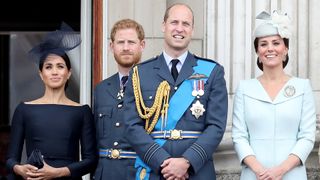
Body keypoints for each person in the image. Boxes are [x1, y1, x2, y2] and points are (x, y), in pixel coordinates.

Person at [123, 3, 228, 180]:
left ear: (192, 30)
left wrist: (187, 161)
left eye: (185, 24)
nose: (179, 29)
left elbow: (216, 126)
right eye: (174, 22)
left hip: (196, 171)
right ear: (164, 26)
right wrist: (162, 161)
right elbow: (132, 126)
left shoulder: (212, 71)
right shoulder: (140, 73)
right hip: (156, 170)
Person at [6, 23, 97, 180]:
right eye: (48, 67)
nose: (54, 72)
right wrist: (19, 169)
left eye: (60, 66)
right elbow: (10, 159)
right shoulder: (24, 110)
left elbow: (91, 160)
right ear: (41, 74)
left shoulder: (82, 111)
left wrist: (59, 172)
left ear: (68, 73)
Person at [232, 11, 316, 180]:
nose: (270, 48)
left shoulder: (302, 87)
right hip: (254, 175)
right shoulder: (244, 88)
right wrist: (260, 171)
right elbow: (239, 136)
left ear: (285, 49)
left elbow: (307, 136)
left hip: (292, 174)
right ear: (257, 51)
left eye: (276, 43)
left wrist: (280, 171)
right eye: (263, 44)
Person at [93, 19, 145, 180]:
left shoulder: (156, 86)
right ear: (111, 46)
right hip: (105, 173)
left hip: (139, 173)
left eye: (131, 42)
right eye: (120, 42)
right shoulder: (101, 89)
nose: (126, 47)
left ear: (142, 45)